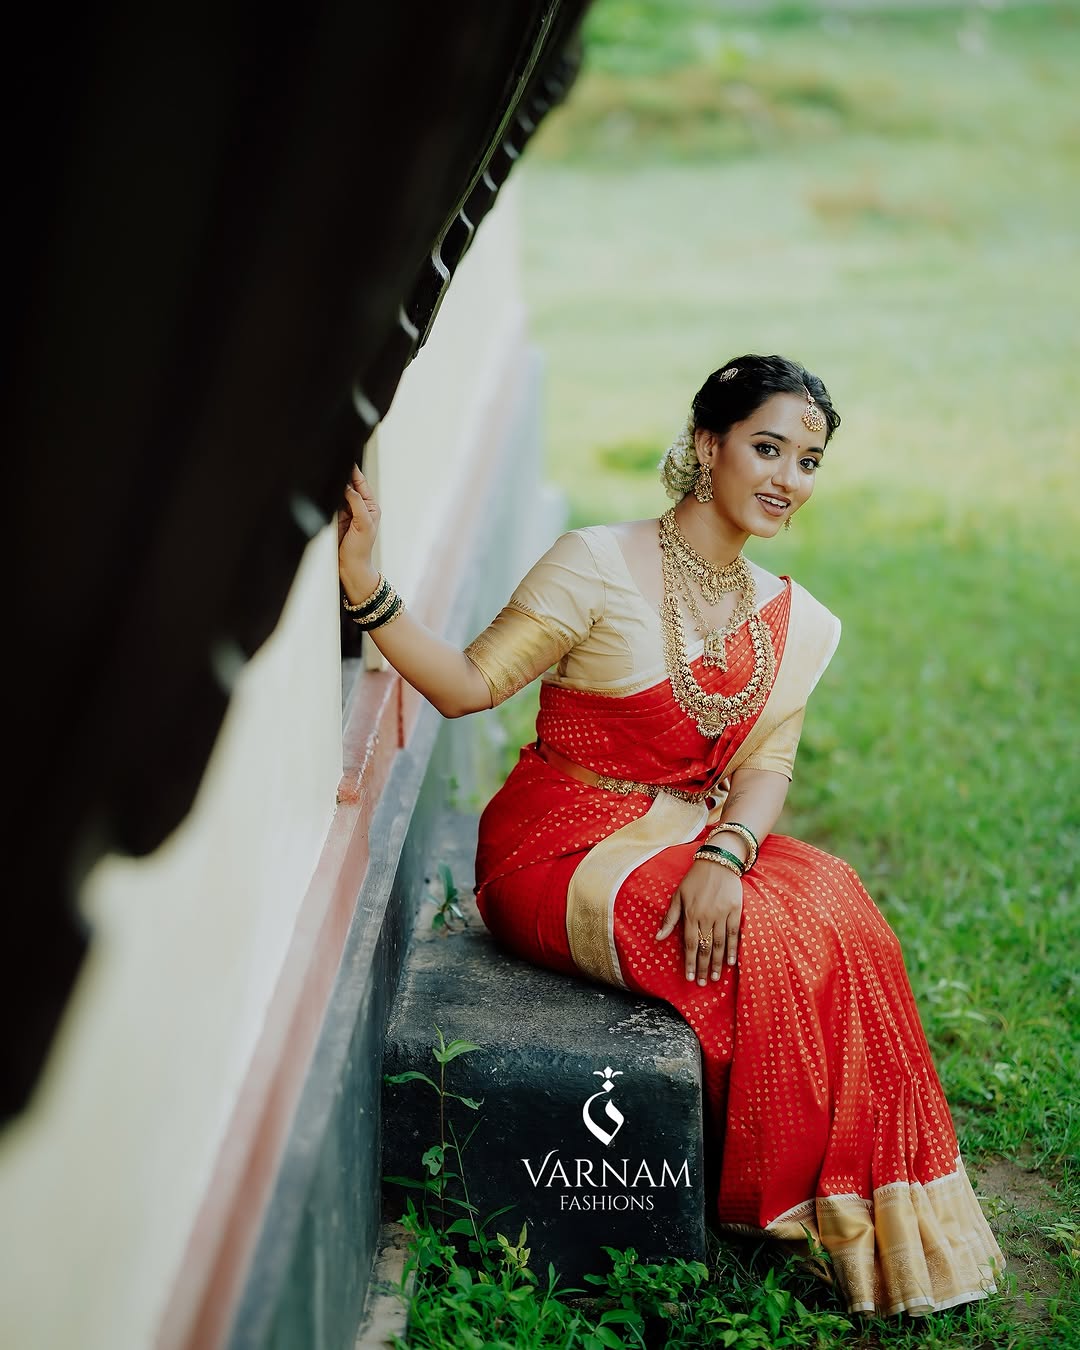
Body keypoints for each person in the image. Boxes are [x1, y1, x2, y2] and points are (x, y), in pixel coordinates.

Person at [338, 352, 1004, 1317]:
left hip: (688, 831)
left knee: (842, 909)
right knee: (765, 945)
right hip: (557, 845)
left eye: (808, 461)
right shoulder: (595, 566)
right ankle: (785, 1208)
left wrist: (726, 856)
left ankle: (874, 1217)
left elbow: (768, 768)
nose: (787, 479)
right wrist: (365, 582)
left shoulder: (787, 617)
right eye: (767, 448)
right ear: (707, 445)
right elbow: (466, 687)